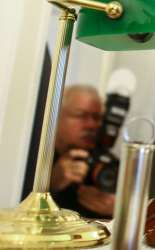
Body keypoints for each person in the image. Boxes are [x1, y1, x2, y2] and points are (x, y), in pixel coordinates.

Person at [50, 85, 117, 219]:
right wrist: (51, 185)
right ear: (56, 118)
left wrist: (118, 209)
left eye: (96, 118)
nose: (92, 125)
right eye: (80, 116)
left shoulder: (109, 164)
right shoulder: (39, 159)